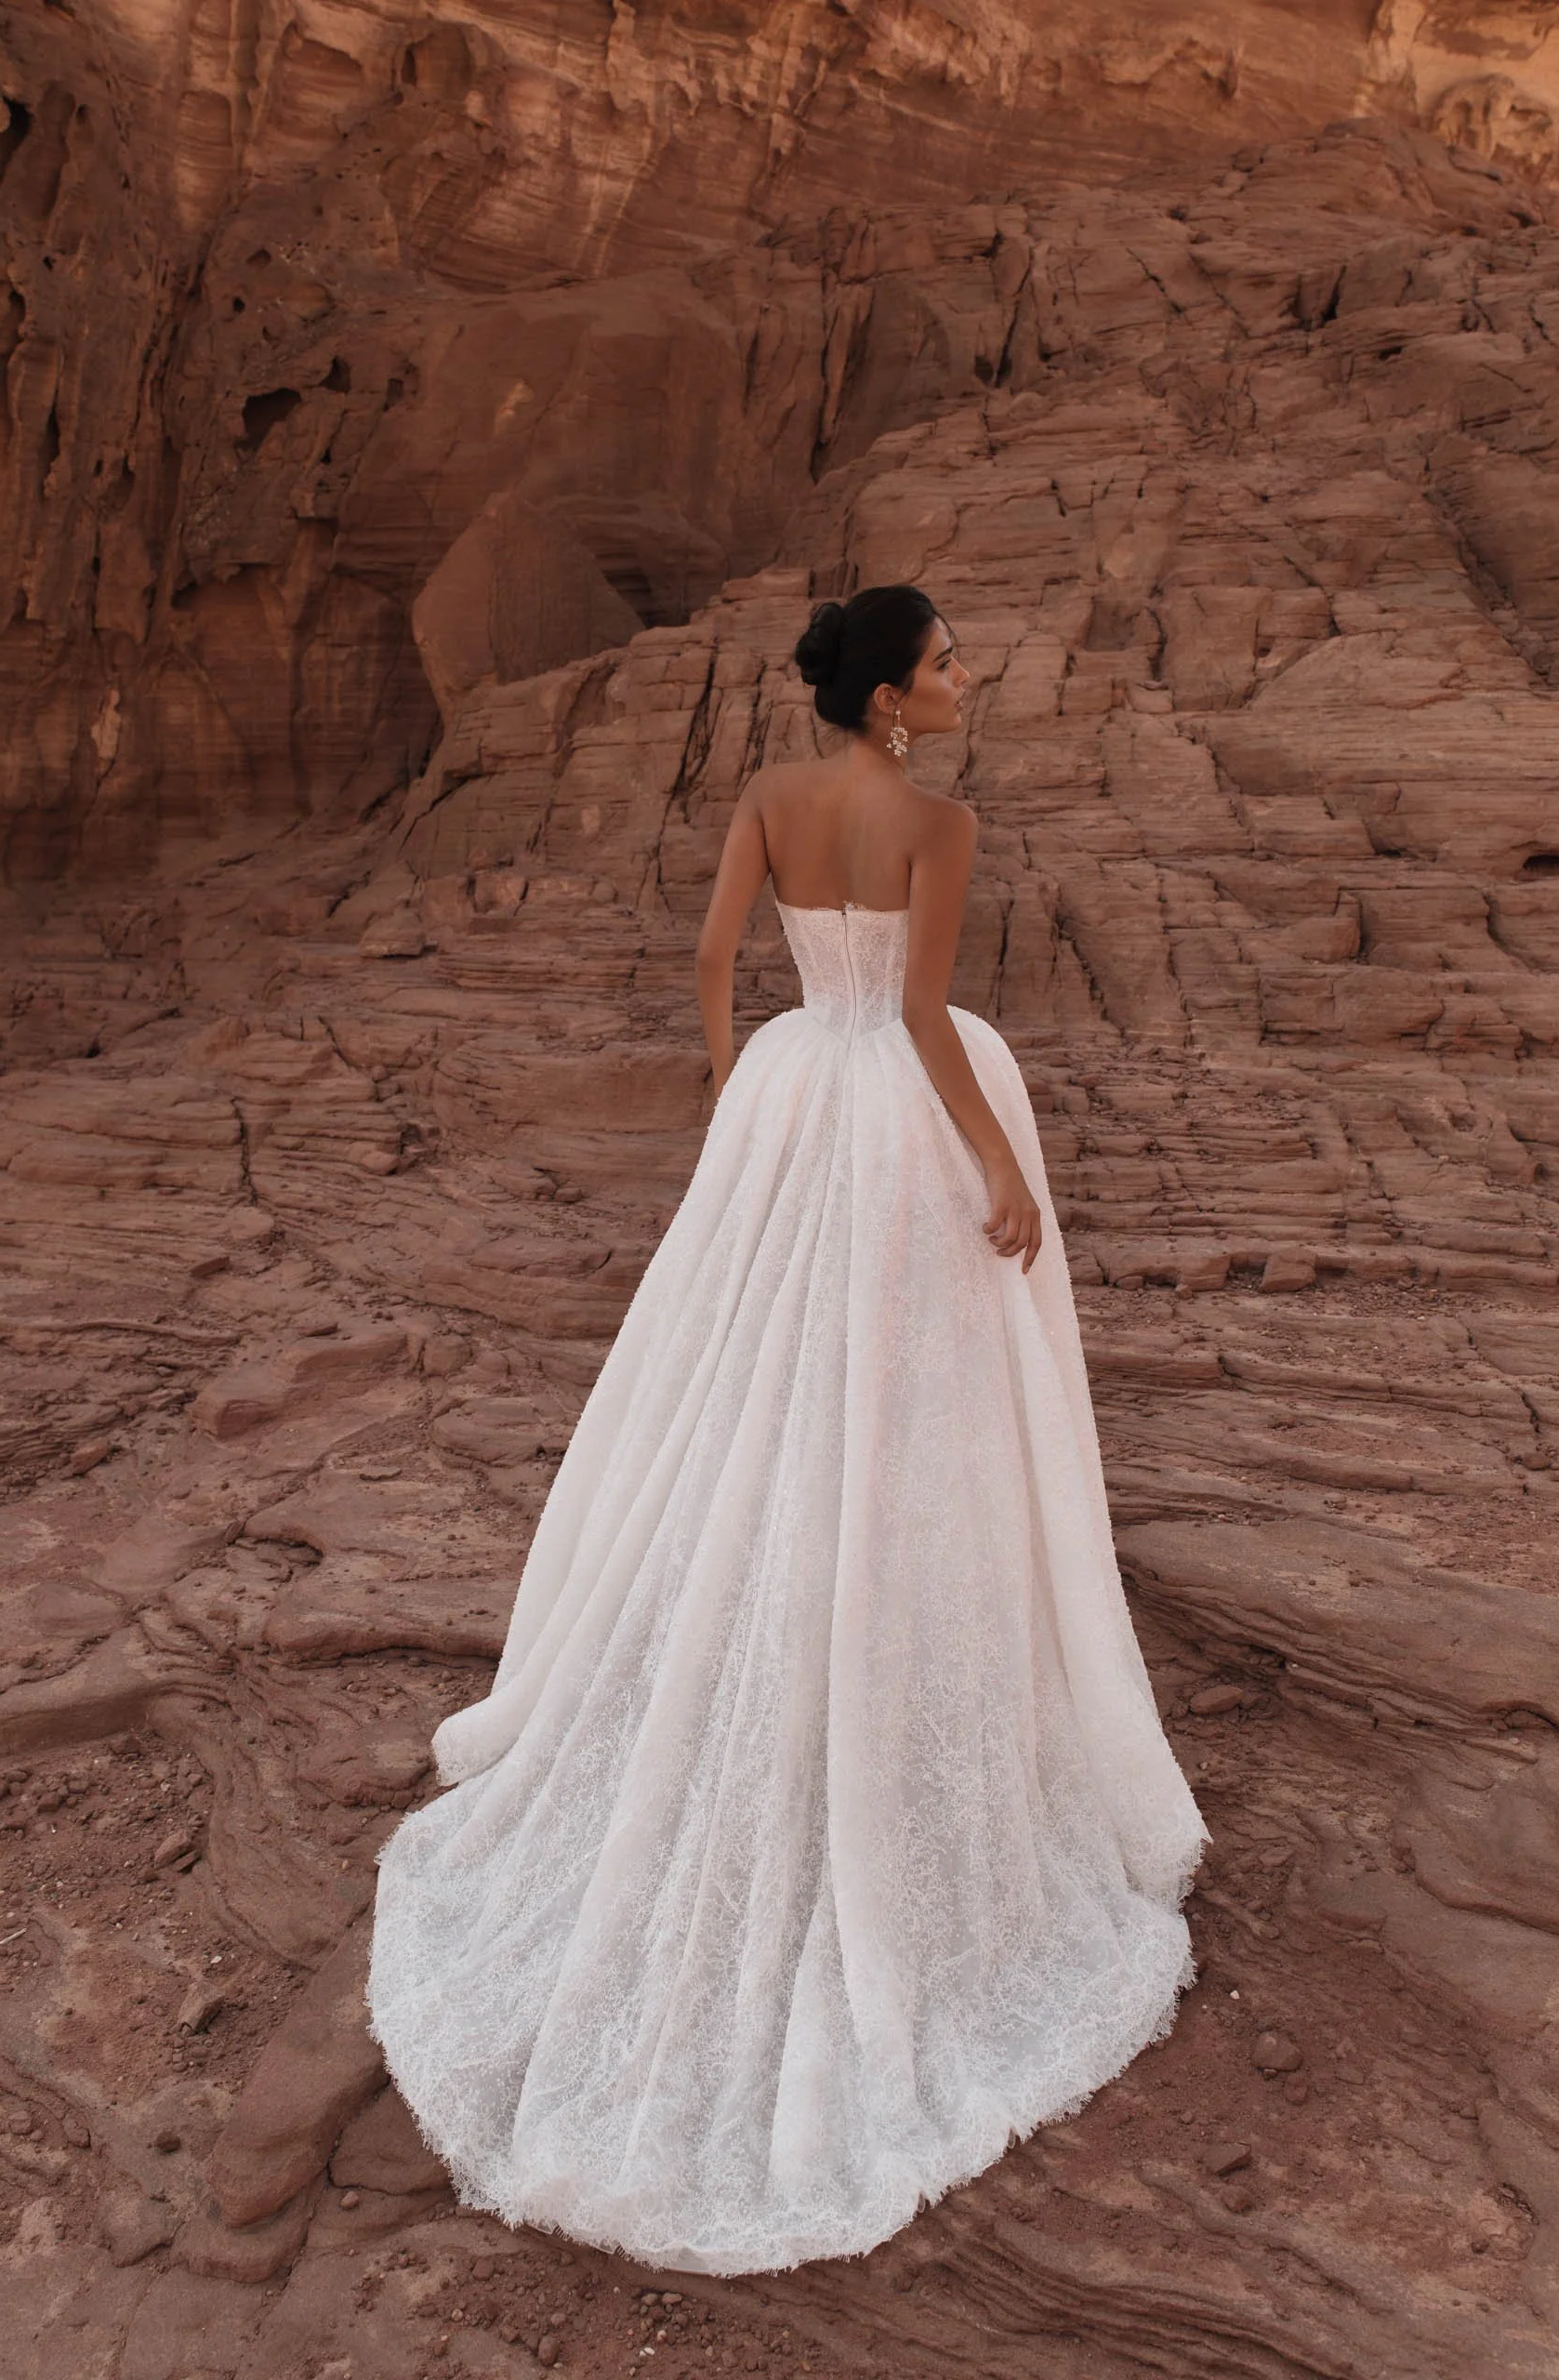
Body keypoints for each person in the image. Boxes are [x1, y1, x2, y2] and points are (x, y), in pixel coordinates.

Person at [366, 582, 1209, 2277]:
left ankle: (762, 1593)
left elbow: (707, 961)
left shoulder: (764, 795)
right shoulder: (936, 818)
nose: (968, 678)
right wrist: (992, 1164)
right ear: (893, 698)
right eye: (950, 661)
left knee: (743, 1383)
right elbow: (914, 1017)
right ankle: (879, 1627)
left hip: (784, 1088)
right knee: (898, 1392)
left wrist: (727, 1083)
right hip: (893, 1105)